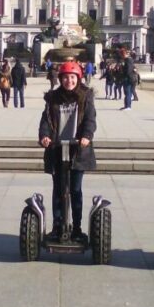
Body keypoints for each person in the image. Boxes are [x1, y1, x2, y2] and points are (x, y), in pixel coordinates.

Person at [39, 61, 97, 241]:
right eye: (65, 77)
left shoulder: (85, 96)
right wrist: (44, 135)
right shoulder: (52, 98)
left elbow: (90, 119)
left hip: (78, 150)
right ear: (60, 79)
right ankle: (57, 226)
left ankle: (77, 228)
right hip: (57, 148)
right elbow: (46, 120)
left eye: (72, 77)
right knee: (58, 189)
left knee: (75, 190)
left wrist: (87, 135)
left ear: (78, 78)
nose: (69, 81)